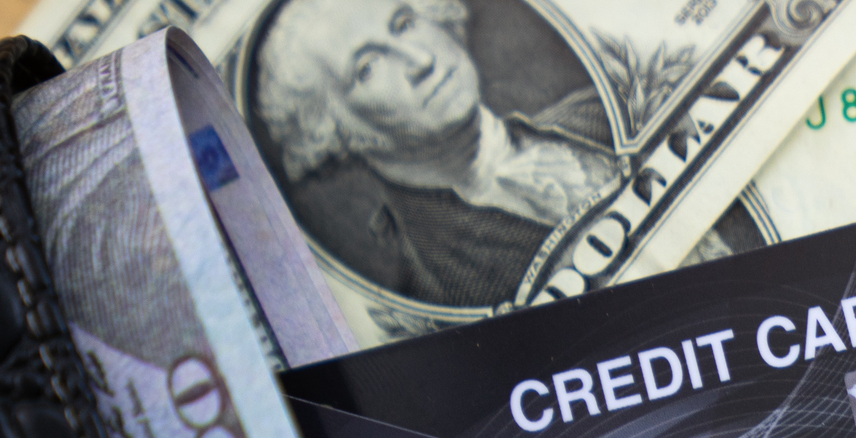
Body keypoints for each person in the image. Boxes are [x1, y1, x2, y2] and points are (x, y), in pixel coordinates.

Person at [253, 0, 626, 308]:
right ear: (332, 132)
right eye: (367, 68)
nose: (420, 60)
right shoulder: (439, 292)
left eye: (404, 24)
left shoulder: (596, 114)